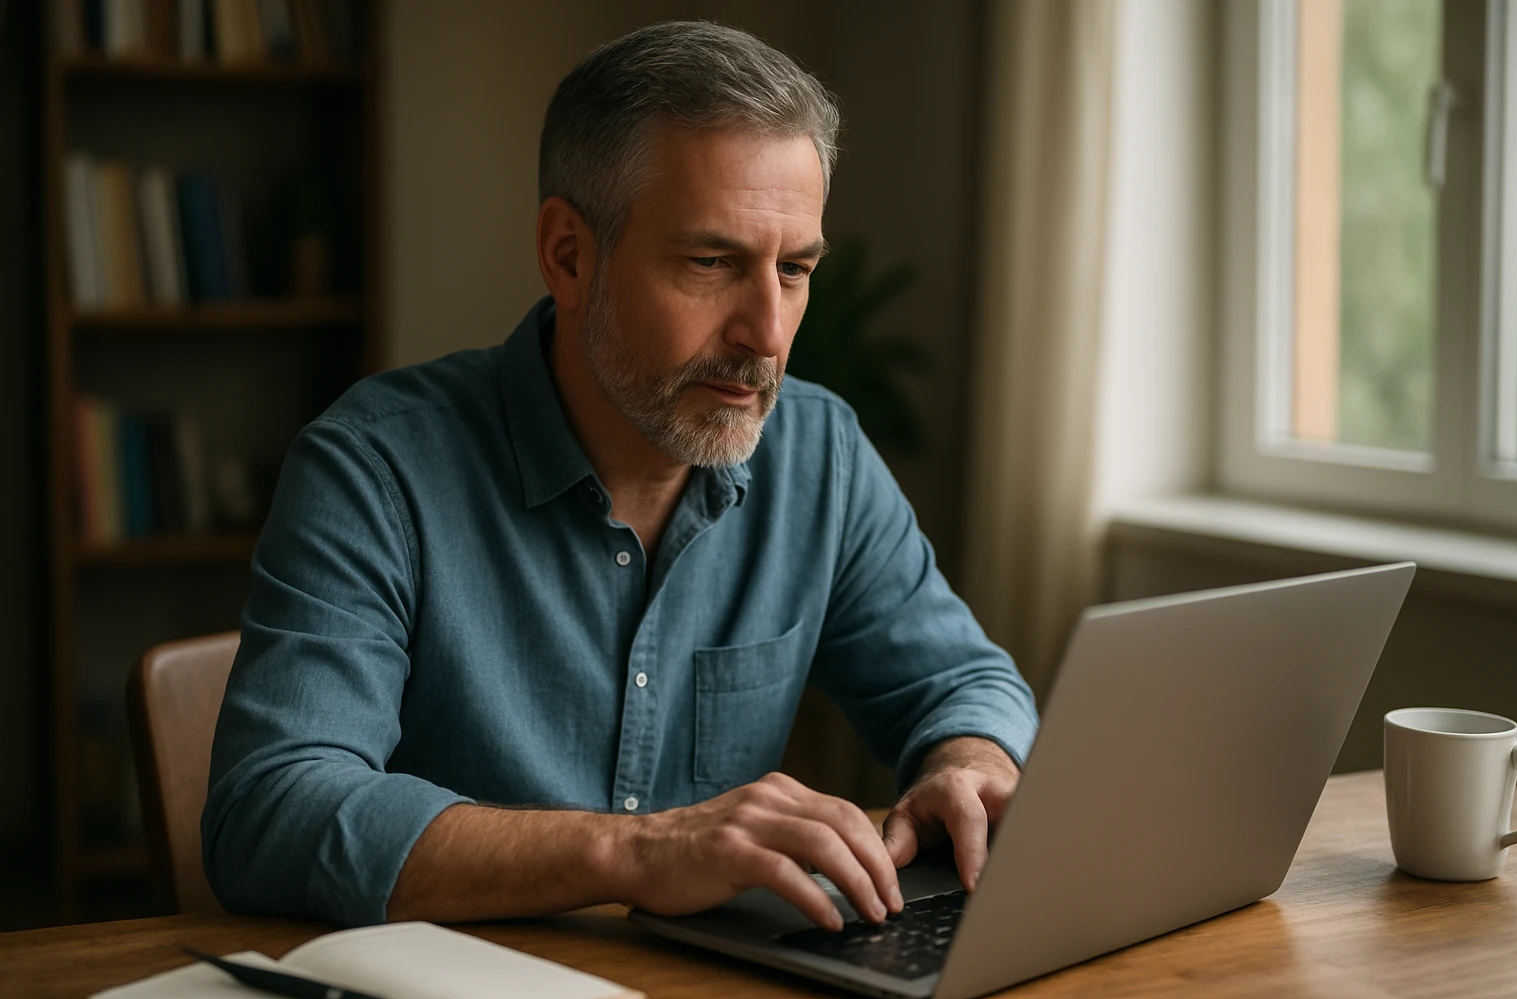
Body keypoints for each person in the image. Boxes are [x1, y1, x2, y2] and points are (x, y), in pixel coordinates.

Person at [203, 20, 1037, 933]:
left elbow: (961, 681)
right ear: (568, 254)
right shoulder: (376, 470)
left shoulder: (820, 453)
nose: (766, 333)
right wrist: (640, 851)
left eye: (794, 270)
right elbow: (272, 811)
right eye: (712, 263)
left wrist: (972, 766)